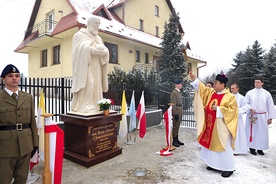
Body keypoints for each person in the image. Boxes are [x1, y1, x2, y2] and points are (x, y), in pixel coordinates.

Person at [189, 71, 238, 178]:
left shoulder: (230, 97)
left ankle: (228, 168)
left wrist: (219, 109)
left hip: (222, 128)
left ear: (222, 84)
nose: (214, 84)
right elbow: (202, 89)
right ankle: (213, 164)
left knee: (223, 147)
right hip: (211, 125)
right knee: (211, 145)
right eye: (214, 83)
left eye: (216, 83)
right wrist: (194, 79)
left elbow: (232, 111)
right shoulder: (212, 93)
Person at [0, 64, 38, 184]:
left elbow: (32, 122)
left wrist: (35, 144)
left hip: (25, 146)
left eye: (17, 76)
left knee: (22, 179)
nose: (14, 78)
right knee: (3, 179)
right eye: (10, 76)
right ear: (3, 79)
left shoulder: (28, 97)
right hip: (5, 147)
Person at [71, 15, 110, 114]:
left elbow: (104, 51)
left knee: (96, 85)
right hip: (85, 66)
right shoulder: (79, 35)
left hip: (97, 67)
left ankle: (96, 104)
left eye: (98, 24)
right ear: (89, 24)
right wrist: (89, 50)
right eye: (96, 24)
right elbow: (75, 53)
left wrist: (104, 52)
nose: (97, 26)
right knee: (90, 84)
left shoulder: (99, 38)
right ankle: (85, 105)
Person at [244, 76, 276, 155]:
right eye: (255, 82)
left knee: (261, 133)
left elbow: (270, 106)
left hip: (262, 116)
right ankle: (252, 147)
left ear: (262, 83)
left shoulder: (266, 93)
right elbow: (245, 103)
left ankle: (260, 148)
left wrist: (270, 117)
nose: (256, 84)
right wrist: (250, 108)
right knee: (253, 132)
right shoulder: (250, 93)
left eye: (258, 82)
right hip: (252, 116)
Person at [230, 83, 247, 155]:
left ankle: (236, 149)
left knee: (237, 134)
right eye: (231, 88)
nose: (232, 89)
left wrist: (237, 112)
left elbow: (245, 107)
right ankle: (229, 149)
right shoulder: (228, 96)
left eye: (233, 88)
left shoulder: (242, 98)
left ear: (237, 88)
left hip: (237, 118)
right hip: (229, 118)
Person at [170, 79, 184, 147]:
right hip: (176, 111)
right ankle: (174, 140)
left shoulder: (178, 92)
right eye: (180, 84)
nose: (181, 85)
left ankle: (177, 139)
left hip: (179, 110)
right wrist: (175, 113)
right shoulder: (174, 93)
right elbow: (173, 103)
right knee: (175, 126)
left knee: (178, 125)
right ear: (177, 85)